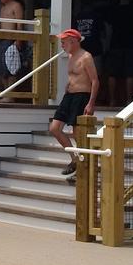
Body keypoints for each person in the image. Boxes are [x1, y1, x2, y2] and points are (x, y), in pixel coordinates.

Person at [50, 29, 99, 175]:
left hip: (82, 96)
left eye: (64, 42)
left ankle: (85, 166)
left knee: (78, 134)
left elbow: (95, 81)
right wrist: (67, 86)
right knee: (54, 128)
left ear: (73, 41)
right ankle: (75, 159)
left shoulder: (86, 57)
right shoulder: (71, 56)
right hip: (69, 96)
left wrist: (91, 103)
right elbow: (74, 76)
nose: (62, 45)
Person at [104, 0, 133, 106]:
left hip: (115, 44)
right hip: (131, 44)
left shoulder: (114, 10)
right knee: (130, 73)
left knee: (112, 74)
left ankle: (112, 100)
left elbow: (108, 28)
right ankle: (129, 100)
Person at [0, 0, 27, 90]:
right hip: (2, 40)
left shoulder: (16, 6)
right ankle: (5, 92)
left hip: (12, 40)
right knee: (1, 67)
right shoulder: (3, 8)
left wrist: (18, 40)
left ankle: (11, 94)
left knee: (11, 67)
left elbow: (20, 24)